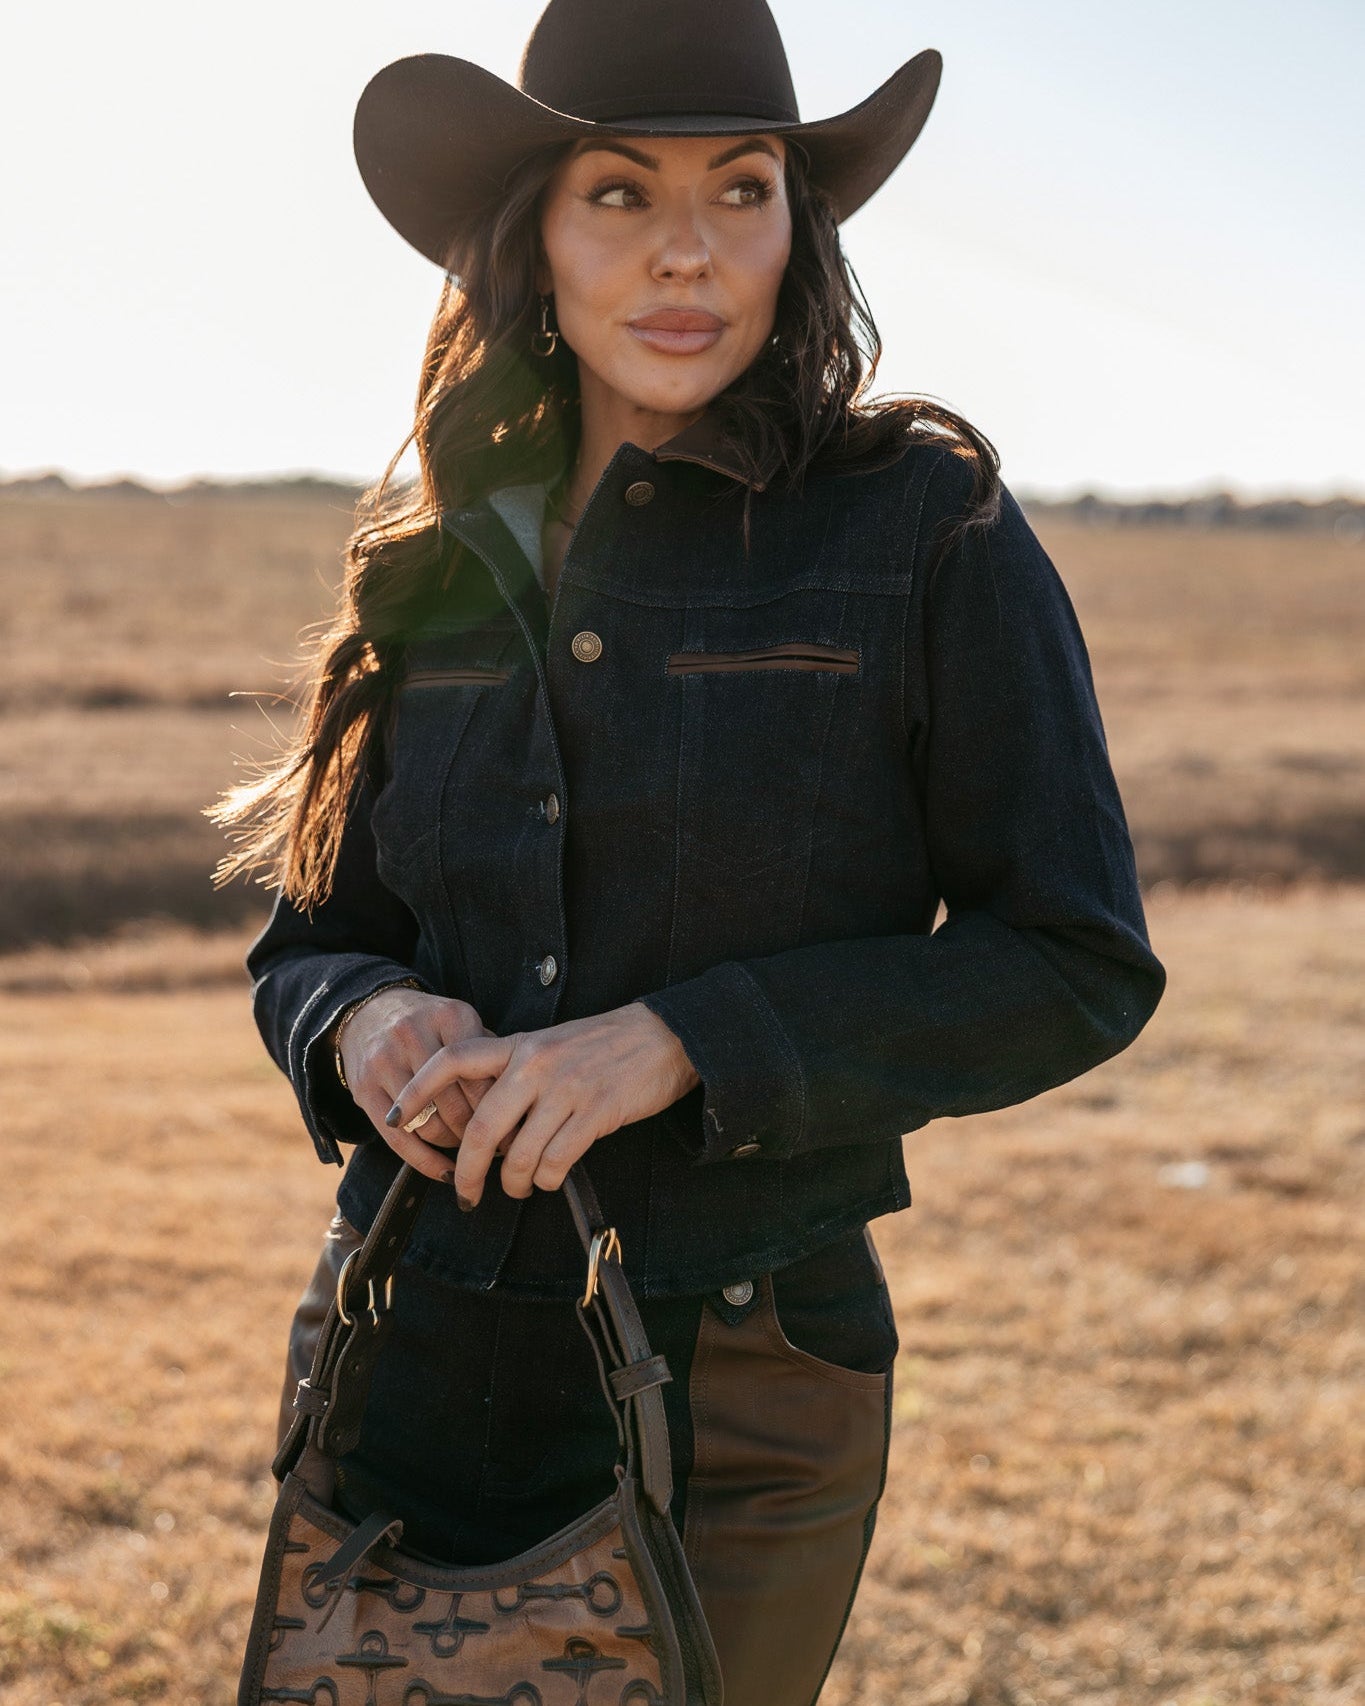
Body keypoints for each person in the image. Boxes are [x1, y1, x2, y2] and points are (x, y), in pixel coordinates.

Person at [214, 2, 1166, 1700]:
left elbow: (1070, 960)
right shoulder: (433, 562)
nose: (686, 256)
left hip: (742, 1368)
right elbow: (312, 936)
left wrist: (679, 1043)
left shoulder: (924, 532)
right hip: (406, 1337)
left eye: (740, 192)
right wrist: (361, 1021)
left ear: (799, 230)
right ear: (534, 238)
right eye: (618, 195)